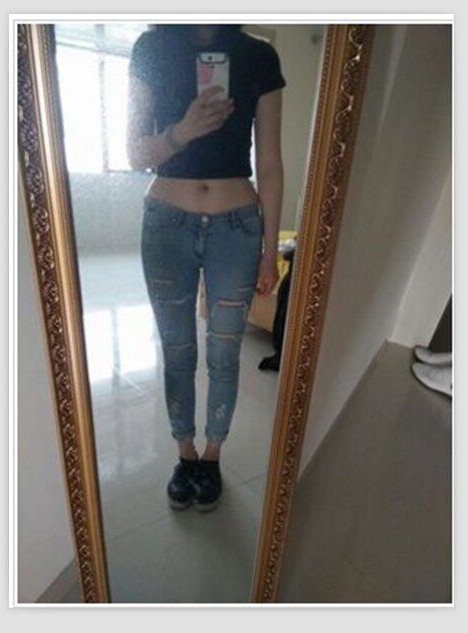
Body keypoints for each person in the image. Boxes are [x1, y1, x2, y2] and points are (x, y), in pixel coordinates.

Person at [127, 24, 286, 511]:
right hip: (166, 224)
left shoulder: (260, 56)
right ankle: (186, 455)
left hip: (237, 228)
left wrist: (269, 251)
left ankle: (212, 457)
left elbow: (270, 162)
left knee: (224, 353)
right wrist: (182, 132)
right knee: (177, 350)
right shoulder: (152, 47)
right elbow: (135, 154)